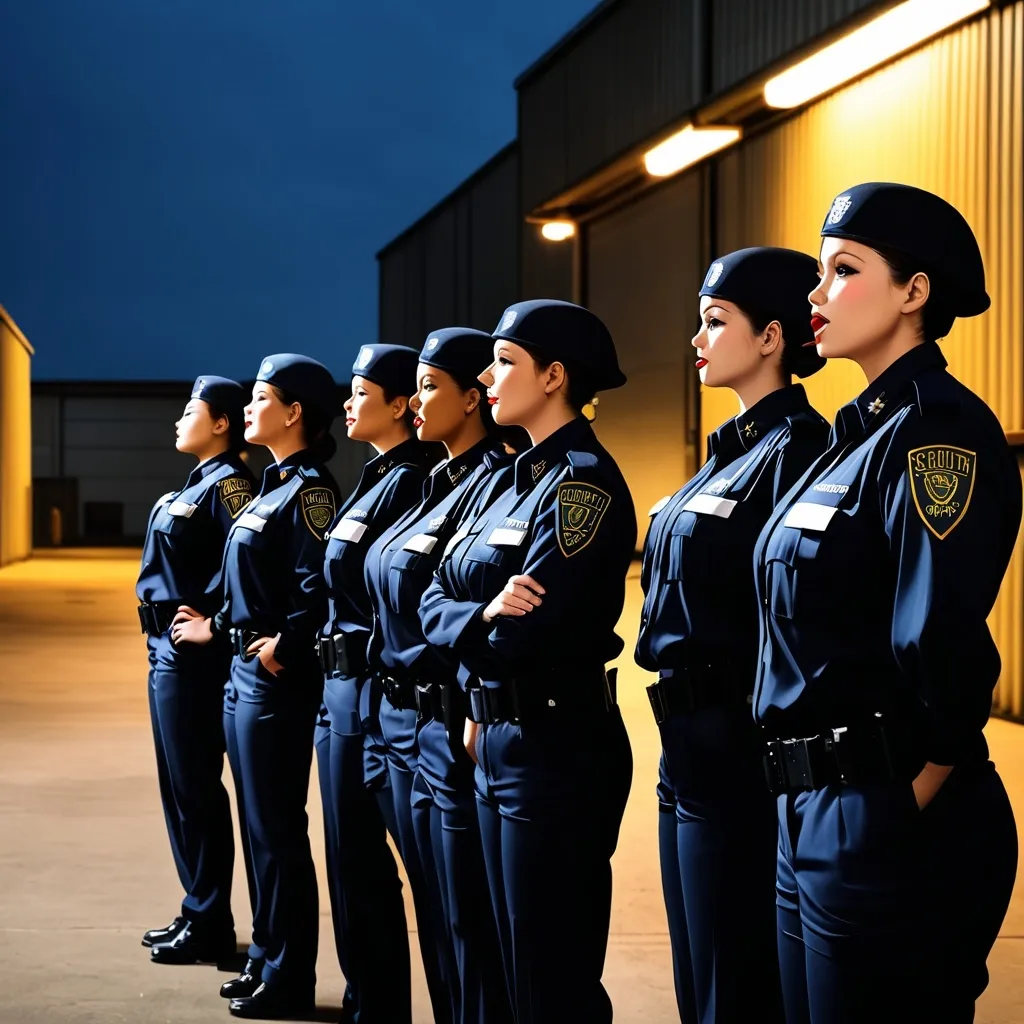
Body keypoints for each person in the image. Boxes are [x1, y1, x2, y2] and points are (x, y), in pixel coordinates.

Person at [753, 183, 1021, 1024]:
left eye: (844, 270)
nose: (816, 294)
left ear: (914, 293)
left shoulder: (935, 433)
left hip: (884, 811)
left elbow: (939, 634)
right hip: (812, 812)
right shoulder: (852, 436)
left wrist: (906, 793)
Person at [420, 299, 635, 1024]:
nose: (486, 376)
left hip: (556, 746)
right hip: (500, 740)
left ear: (553, 376)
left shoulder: (581, 485)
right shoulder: (512, 480)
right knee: (511, 960)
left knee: (552, 975)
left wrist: (472, 622)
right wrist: (478, 614)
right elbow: (432, 598)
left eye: (505, 362)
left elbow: (530, 630)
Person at [637, 248, 830, 1023]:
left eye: (716, 322)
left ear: (772, 338)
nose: (697, 338)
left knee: (735, 974)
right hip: (681, 739)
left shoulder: (799, 453)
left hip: (734, 742)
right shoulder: (727, 453)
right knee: (696, 966)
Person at [173, 353, 342, 1019]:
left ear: (295, 411)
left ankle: (290, 973)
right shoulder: (273, 486)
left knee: (277, 829)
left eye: (262, 398)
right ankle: (267, 956)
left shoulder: (311, 492)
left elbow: (316, 587)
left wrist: (287, 647)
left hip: (272, 682)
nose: (249, 408)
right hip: (243, 675)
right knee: (258, 827)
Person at [366, 328, 517, 1024]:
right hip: (398, 713)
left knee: (466, 918)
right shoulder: (436, 481)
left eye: (431, 387)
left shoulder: (497, 480)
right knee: (435, 907)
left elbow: (476, 605)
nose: (420, 400)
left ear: (474, 395)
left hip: (447, 717)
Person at [315, 342, 436, 1024]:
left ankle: (382, 1002)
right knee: (348, 863)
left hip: (370, 687)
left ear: (401, 404)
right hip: (339, 690)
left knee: (369, 862)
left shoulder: (413, 480)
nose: (348, 404)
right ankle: (368, 997)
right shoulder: (373, 476)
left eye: (361, 392)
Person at [137, 376, 255, 965]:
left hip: (191, 654)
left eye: (191, 411)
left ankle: (209, 918)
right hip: (164, 646)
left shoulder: (232, 485)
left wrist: (211, 617)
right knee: (179, 789)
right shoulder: (201, 482)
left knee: (196, 789)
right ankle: (198, 908)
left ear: (221, 424)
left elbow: (243, 563)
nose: (179, 420)